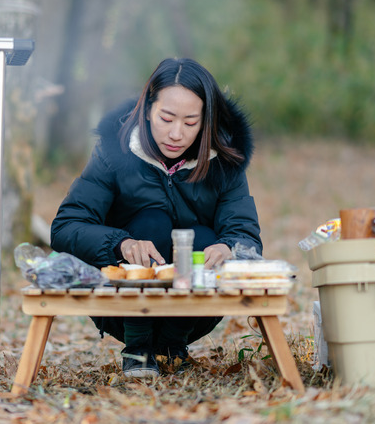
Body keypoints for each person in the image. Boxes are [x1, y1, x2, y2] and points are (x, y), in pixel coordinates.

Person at [50, 58, 262, 378]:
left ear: (206, 120)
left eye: (191, 123)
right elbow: (66, 227)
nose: (177, 133)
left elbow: (245, 232)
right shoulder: (115, 151)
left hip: (199, 308)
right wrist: (120, 244)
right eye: (166, 118)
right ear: (148, 109)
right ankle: (138, 348)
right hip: (119, 304)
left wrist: (230, 247)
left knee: (201, 240)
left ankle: (171, 348)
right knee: (152, 223)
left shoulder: (224, 161)